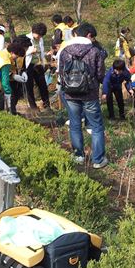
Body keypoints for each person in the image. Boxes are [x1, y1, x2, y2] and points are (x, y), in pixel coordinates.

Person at [58, 22, 107, 169]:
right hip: (90, 94)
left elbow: (61, 72)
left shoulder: (65, 50)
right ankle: (97, 160)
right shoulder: (94, 51)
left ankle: (79, 155)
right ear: (89, 35)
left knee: (75, 124)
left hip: (70, 94)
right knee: (96, 126)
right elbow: (100, 74)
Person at [25, 22, 50, 110]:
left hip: (38, 64)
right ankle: (33, 107)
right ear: (33, 31)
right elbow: (21, 53)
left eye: (41, 36)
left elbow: (42, 52)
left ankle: (47, 105)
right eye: (38, 35)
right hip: (28, 65)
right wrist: (30, 52)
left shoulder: (40, 39)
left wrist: (43, 63)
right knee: (29, 86)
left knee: (43, 85)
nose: (39, 37)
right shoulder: (26, 39)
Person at [9, 35, 32, 115]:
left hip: (16, 77)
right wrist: (13, 75)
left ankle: (13, 111)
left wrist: (24, 72)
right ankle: (10, 112)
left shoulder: (22, 53)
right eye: (25, 48)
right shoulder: (10, 53)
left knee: (16, 94)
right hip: (8, 77)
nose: (26, 50)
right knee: (10, 95)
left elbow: (23, 65)